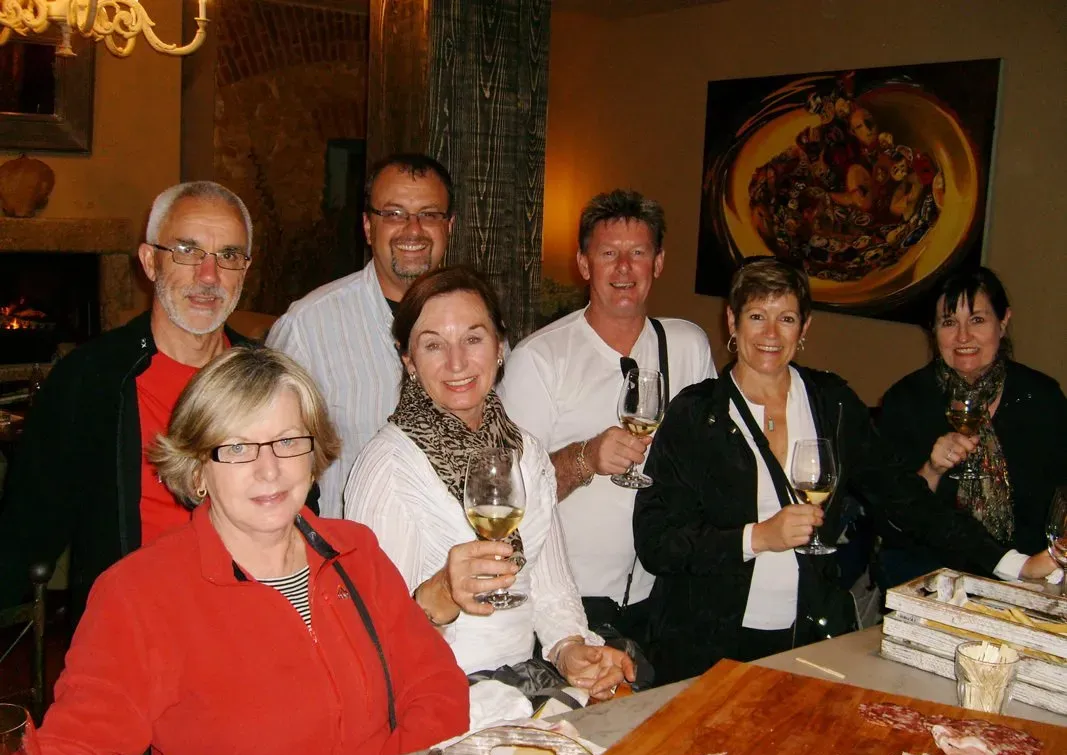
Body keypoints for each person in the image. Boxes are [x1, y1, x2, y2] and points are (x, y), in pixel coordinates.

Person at [35, 347, 468, 755]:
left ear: (312, 451)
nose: (269, 469)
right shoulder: (140, 595)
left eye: (287, 441)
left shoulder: (355, 552)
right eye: (237, 447)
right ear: (199, 467)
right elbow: (79, 747)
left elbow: (436, 688)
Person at [632, 257, 1056, 686]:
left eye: (787, 318)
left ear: (805, 328)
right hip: (704, 647)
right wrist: (757, 537)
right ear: (732, 322)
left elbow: (905, 498)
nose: (771, 334)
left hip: (806, 641)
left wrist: (1012, 564)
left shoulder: (830, 404)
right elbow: (657, 541)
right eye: (757, 316)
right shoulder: (696, 413)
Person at [344, 267, 635, 701]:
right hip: (437, 699)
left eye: (473, 339)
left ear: (500, 347)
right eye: (433, 345)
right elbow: (373, 640)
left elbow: (550, 589)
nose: (457, 363)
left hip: (523, 687)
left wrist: (571, 649)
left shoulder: (527, 451)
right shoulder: (388, 467)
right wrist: (442, 591)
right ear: (408, 361)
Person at [0, 181, 257, 618]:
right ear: (150, 262)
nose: (209, 276)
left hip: (249, 618)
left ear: (245, 270)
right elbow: (27, 529)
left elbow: (302, 512)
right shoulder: (91, 380)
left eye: (228, 255)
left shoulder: (266, 379)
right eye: (187, 250)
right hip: (133, 627)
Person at [499, 190, 714, 646]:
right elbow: (509, 499)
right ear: (583, 264)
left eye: (637, 253)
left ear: (657, 263)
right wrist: (586, 458)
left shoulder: (688, 346)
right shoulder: (539, 359)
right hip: (569, 606)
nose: (623, 268)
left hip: (666, 597)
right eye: (608, 254)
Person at [268, 153, 455, 517]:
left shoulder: (478, 327)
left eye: (429, 214)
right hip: (350, 558)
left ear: (449, 226)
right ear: (369, 227)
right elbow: (272, 455)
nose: (413, 229)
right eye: (394, 213)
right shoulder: (308, 328)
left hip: (451, 554)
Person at [878, 267, 1067, 587]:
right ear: (934, 330)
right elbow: (892, 519)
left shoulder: (1040, 396)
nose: (963, 337)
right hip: (931, 578)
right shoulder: (906, 401)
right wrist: (933, 469)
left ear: (1003, 321)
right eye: (949, 322)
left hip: (1033, 575)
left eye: (977, 320)